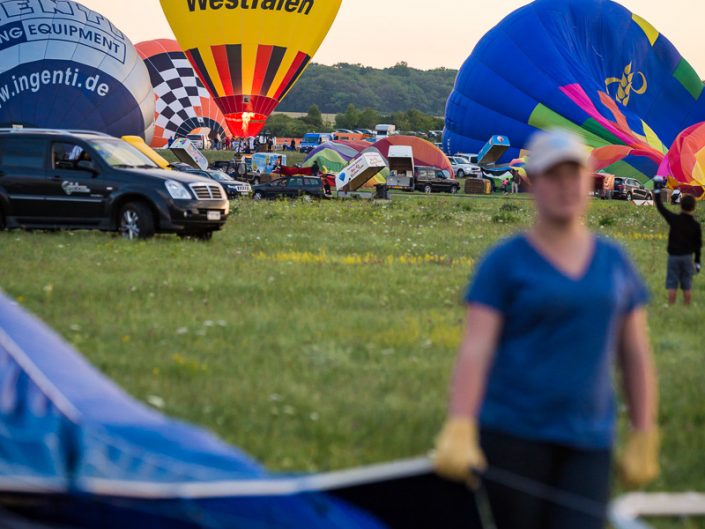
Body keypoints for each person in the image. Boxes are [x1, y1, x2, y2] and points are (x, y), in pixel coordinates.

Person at [434, 129, 660, 529]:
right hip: (513, 433)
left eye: (573, 175)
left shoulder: (614, 262)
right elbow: (476, 348)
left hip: (588, 437)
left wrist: (644, 431)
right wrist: (461, 421)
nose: (565, 186)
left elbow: (635, 355)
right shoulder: (504, 262)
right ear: (533, 183)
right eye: (552, 176)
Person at [653, 180, 702, 306]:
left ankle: (671, 306)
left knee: (672, 284)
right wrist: (697, 261)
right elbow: (698, 245)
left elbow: (660, 207)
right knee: (687, 285)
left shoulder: (674, 219)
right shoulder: (696, 226)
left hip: (673, 257)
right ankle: (686, 307)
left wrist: (657, 189)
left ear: (680, 206)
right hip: (687, 257)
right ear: (694, 207)